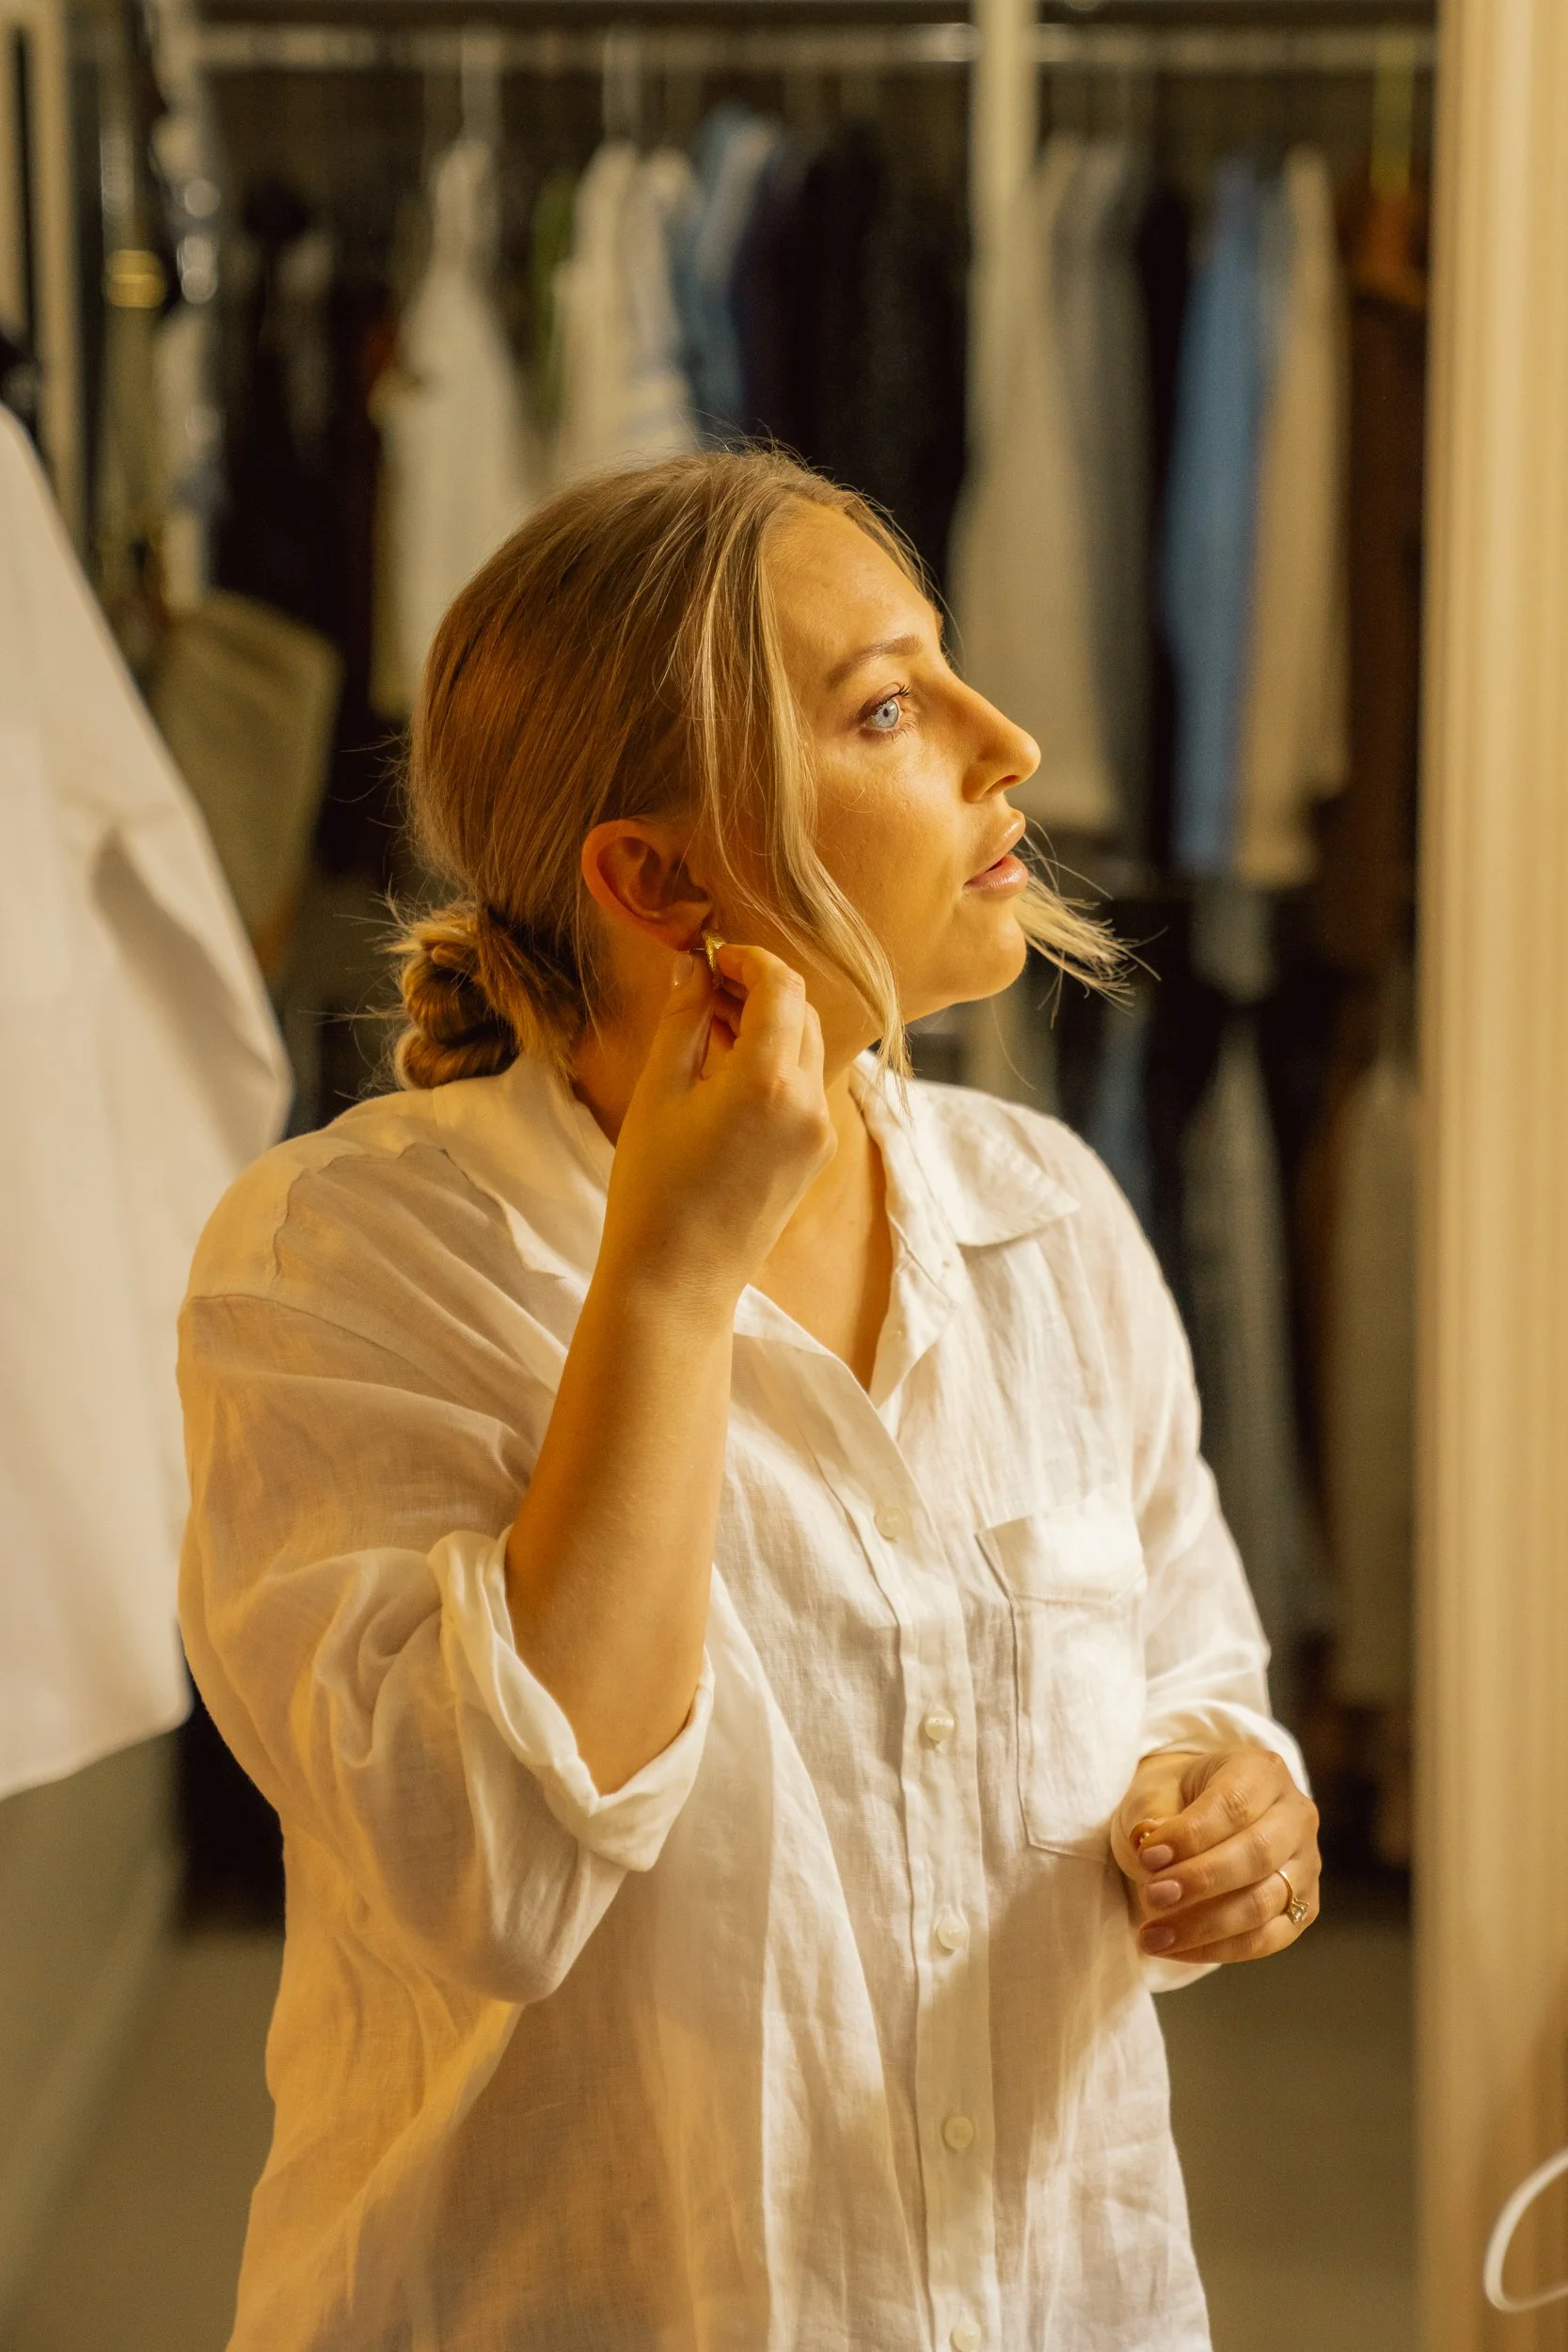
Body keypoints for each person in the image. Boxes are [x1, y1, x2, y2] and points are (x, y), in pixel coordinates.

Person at [180, 450, 1320, 2352]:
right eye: (886, 706)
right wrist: (675, 1273)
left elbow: (1184, 1666)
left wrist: (1231, 1800)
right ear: (652, 874)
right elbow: (495, 1874)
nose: (1009, 737)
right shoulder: (340, 1262)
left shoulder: (1047, 1225)